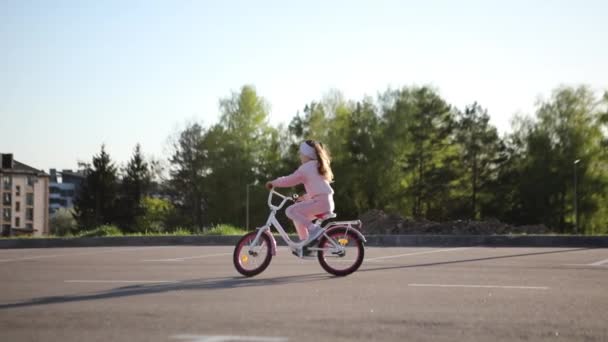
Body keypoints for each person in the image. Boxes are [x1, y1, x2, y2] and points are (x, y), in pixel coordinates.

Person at [266, 140, 335, 252]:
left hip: (320, 203)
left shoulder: (306, 168)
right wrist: (302, 198)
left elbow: (289, 180)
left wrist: (273, 183)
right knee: (299, 218)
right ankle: (306, 244)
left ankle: (314, 230)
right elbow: (318, 189)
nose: (300, 156)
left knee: (290, 211)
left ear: (307, 155)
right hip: (326, 202)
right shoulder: (317, 165)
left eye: (301, 154)